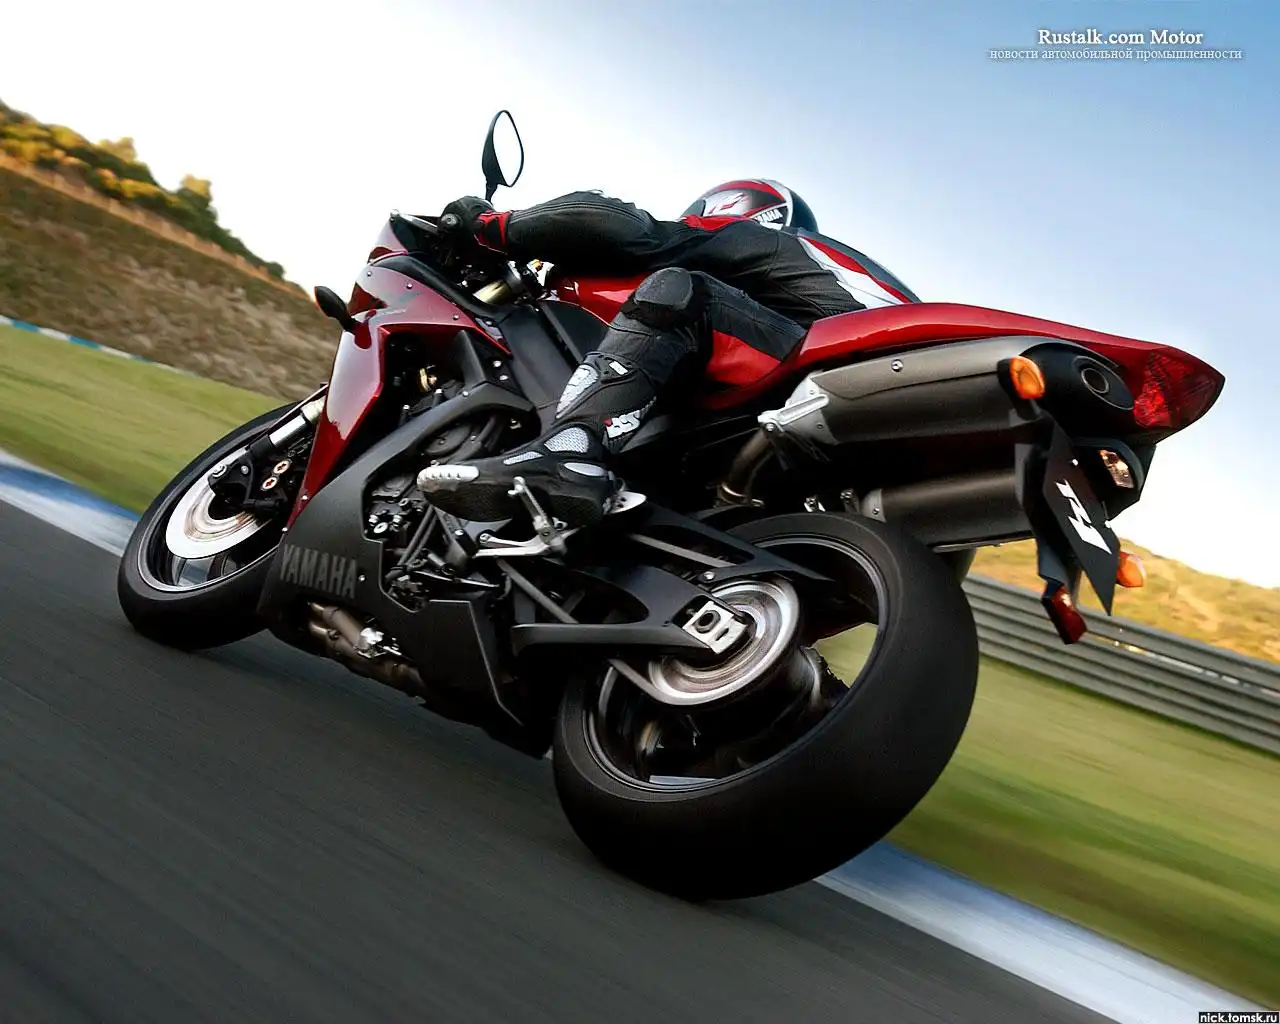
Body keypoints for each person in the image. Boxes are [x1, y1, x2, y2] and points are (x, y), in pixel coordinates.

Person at [417, 179, 916, 527]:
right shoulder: (833, 270)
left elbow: (622, 229)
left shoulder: (760, 238)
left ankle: (568, 453)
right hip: (880, 389)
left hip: (838, 369)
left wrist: (489, 226)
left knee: (678, 289)